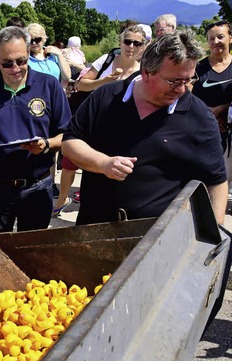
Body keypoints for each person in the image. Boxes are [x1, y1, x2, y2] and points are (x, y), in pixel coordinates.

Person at [62, 30, 227, 226]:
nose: (182, 89)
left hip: (157, 241)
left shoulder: (199, 117)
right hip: (94, 228)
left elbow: (216, 181)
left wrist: (213, 236)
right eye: (174, 81)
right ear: (146, 72)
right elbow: (70, 142)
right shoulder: (105, 97)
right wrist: (103, 163)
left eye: (189, 80)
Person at [0, 26, 72, 242]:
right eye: (7, 63)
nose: (16, 68)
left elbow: (68, 135)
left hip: (37, 186)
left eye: (21, 61)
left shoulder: (49, 85)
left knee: (32, 252)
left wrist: (47, 144)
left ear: (29, 54)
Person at [57, 25, 148, 217]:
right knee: (71, 162)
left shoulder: (143, 72)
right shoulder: (106, 60)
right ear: (120, 42)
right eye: (127, 41)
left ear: (143, 46)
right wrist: (105, 82)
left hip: (119, 128)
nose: (131, 46)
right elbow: (81, 85)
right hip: (92, 120)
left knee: (107, 170)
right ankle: (62, 199)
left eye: (136, 43)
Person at [192, 20, 232, 199]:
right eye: (210, 38)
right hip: (204, 131)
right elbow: (185, 96)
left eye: (220, 37)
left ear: (230, 38)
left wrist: (224, 108)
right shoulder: (197, 68)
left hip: (229, 130)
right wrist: (209, 115)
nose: (215, 42)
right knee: (210, 181)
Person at [26, 23, 71, 87]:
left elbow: (67, 77)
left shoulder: (54, 55)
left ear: (44, 38)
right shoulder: (25, 58)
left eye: (37, 39)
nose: (34, 43)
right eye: (31, 40)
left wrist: (59, 55)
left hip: (55, 94)